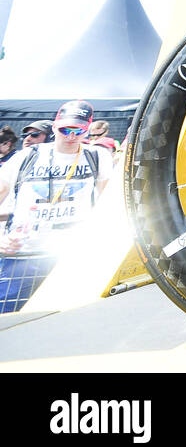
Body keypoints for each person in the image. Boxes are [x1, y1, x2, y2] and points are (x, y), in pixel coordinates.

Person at [0, 100, 112, 312]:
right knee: (6, 318)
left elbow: (108, 205)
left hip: (70, 257)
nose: (71, 136)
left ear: (87, 130)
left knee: (66, 319)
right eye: (65, 129)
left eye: (78, 130)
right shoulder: (26, 156)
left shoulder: (98, 156)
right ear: (54, 127)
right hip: (22, 255)